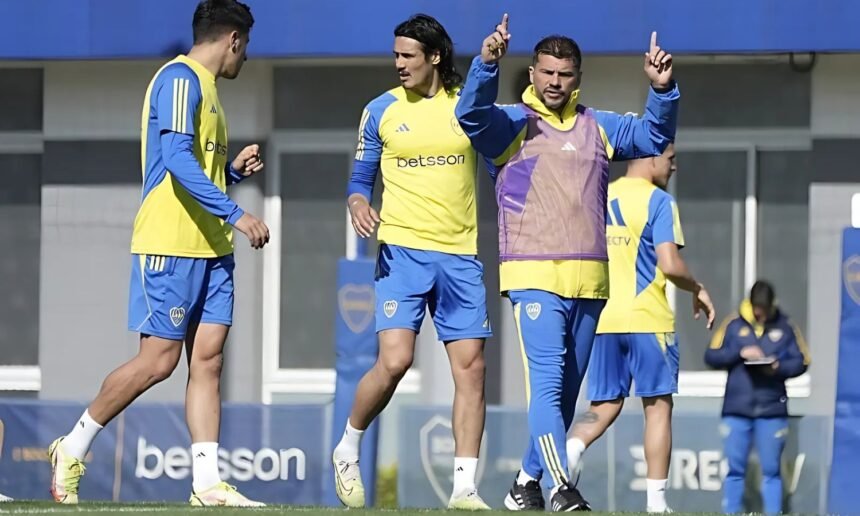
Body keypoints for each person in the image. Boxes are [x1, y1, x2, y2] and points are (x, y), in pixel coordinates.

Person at [48, 0, 269, 507]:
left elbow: (192, 169)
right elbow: (172, 159)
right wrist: (239, 213)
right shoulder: (179, 79)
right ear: (234, 39)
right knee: (158, 362)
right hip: (170, 244)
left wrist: (229, 173)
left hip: (213, 249)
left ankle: (207, 483)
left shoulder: (209, 91)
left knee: (208, 362)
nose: (245, 57)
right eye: (247, 46)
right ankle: (72, 447)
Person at [456, 14, 680, 512]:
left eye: (565, 74)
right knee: (548, 383)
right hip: (533, 276)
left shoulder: (599, 127)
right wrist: (486, 64)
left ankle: (522, 486)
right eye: (547, 73)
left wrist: (663, 91)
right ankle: (560, 487)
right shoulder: (510, 124)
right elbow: (470, 116)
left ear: (578, 78)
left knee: (564, 398)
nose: (555, 82)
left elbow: (650, 139)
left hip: (591, 284)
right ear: (533, 74)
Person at [332, 14, 492, 510]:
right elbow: (360, 181)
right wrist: (359, 204)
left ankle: (464, 488)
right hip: (401, 252)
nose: (399, 64)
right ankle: (348, 447)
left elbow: (504, 161)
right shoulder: (379, 110)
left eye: (408, 56)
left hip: (461, 256)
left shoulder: (467, 106)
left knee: (471, 369)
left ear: (435, 57)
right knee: (396, 360)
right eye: (396, 55)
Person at [564, 144, 716, 513]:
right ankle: (656, 503)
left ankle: (573, 448)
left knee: (604, 404)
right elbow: (670, 263)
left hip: (603, 319)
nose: (674, 166)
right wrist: (697, 288)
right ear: (650, 158)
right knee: (658, 407)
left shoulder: (601, 195)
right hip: (648, 319)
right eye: (671, 158)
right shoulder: (659, 202)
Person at [705, 281, 810, 514]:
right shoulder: (733, 324)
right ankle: (731, 511)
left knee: (772, 470)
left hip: (771, 410)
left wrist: (778, 366)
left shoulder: (785, 326)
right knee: (735, 470)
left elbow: (803, 361)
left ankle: (773, 512)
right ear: (750, 304)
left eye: (764, 308)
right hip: (736, 409)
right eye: (756, 308)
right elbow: (711, 356)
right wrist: (739, 353)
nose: (760, 314)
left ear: (772, 305)